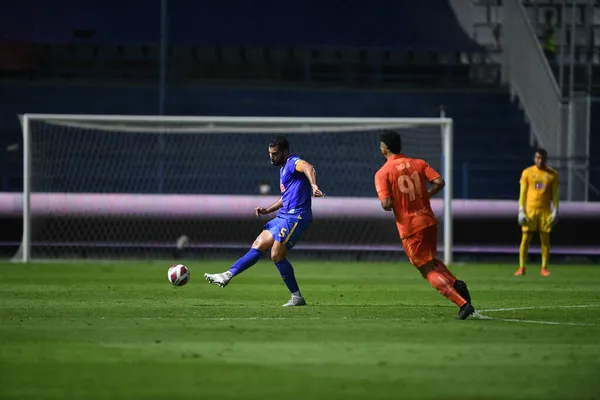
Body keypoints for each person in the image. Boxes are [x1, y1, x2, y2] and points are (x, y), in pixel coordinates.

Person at [204, 136, 324, 306]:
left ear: (283, 152)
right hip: (283, 216)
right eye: (269, 154)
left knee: (276, 254)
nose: (271, 157)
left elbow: (308, 167)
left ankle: (296, 297)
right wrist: (268, 210)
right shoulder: (283, 170)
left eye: (274, 154)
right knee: (258, 243)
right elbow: (286, 198)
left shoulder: (292, 162)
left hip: (297, 216)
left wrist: (313, 185)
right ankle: (227, 275)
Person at [374, 131, 474, 320]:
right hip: (428, 220)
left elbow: (386, 204)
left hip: (410, 227)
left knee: (425, 269)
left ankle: (462, 303)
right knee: (431, 260)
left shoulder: (383, 173)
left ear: (384, 149)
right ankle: (455, 283)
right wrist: (425, 195)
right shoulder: (418, 163)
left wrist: (401, 201)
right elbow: (439, 182)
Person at [515, 148, 559, 277]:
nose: (540, 160)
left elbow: (555, 194)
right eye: (538, 158)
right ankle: (521, 267)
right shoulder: (527, 173)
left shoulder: (552, 174)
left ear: (545, 159)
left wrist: (555, 210)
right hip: (530, 210)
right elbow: (522, 192)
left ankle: (544, 268)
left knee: (545, 239)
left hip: (545, 210)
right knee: (525, 238)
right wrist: (521, 210)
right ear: (535, 159)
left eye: (542, 158)